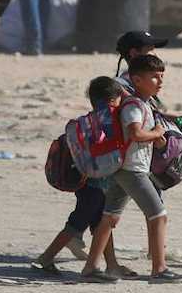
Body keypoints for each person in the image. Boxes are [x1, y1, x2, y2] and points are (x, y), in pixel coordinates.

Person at [80, 55, 182, 284]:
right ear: (137, 80)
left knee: (109, 218)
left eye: (161, 77)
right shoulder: (134, 105)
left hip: (124, 168)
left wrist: (157, 137)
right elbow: (135, 133)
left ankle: (90, 268)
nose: (160, 82)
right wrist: (158, 133)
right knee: (158, 215)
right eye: (154, 77)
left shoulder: (141, 104)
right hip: (132, 170)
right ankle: (159, 269)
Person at [32, 76, 137, 278]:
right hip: (98, 186)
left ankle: (112, 264)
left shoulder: (89, 120)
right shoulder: (109, 119)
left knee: (101, 224)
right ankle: (45, 259)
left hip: (85, 180)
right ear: (114, 99)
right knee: (77, 223)